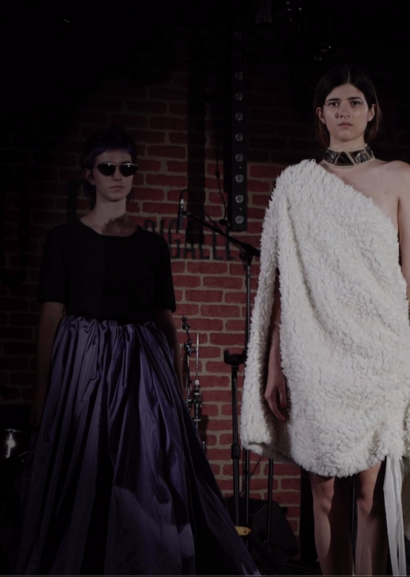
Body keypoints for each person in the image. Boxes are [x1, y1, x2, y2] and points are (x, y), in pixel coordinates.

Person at [240, 66, 410, 576]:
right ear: (320, 114)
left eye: (355, 102)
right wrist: (274, 366)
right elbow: (284, 286)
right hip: (315, 354)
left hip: (380, 350)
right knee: (323, 494)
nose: (345, 111)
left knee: (370, 493)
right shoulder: (296, 185)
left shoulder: (399, 176)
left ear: (372, 111)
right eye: (334, 103)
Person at [15, 125, 258, 575]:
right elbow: (50, 317)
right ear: (89, 174)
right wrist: (40, 392)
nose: (117, 176)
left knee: (144, 471)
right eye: (107, 167)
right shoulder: (64, 239)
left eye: (126, 168)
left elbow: (164, 320)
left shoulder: (151, 245)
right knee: (83, 470)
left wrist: (177, 383)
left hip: (140, 370)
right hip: (83, 366)